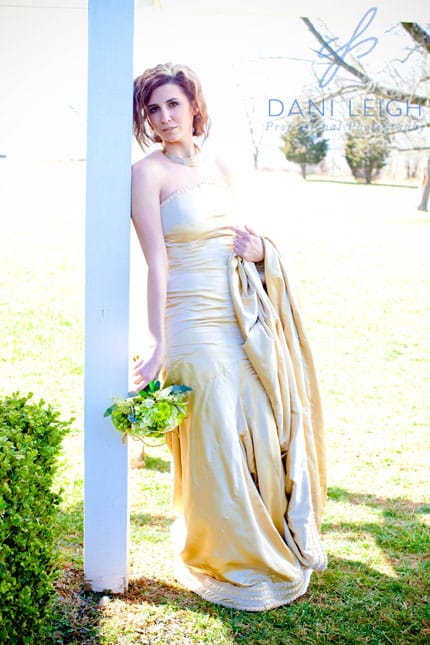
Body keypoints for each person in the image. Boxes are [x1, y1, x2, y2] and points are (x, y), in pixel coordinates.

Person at [131, 62, 327, 612]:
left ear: (194, 105)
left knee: (260, 418)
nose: (164, 117)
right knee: (214, 426)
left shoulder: (222, 162)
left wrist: (261, 252)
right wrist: (158, 341)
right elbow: (155, 262)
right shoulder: (146, 174)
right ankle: (228, 548)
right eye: (153, 109)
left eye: (173, 104)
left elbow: (248, 234)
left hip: (240, 312)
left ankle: (269, 530)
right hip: (189, 317)